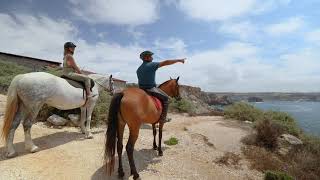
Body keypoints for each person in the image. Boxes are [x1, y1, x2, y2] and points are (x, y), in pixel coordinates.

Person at [136, 50, 185, 123]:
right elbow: (166, 62)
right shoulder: (152, 65)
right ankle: (163, 118)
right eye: (150, 56)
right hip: (150, 89)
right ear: (146, 58)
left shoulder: (138, 69)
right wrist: (178, 60)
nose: (152, 57)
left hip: (140, 89)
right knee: (166, 99)